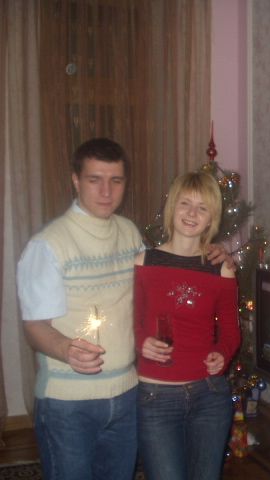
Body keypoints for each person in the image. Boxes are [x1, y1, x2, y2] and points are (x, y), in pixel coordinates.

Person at [16, 138, 144, 479]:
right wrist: (66, 349)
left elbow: (159, 283)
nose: (106, 191)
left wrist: (210, 257)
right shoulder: (48, 245)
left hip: (126, 393)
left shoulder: (129, 233)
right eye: (94, 179)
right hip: (68, 403)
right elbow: (34, 326)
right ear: (75, 180)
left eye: (116, 180)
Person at [134, 171, 241, 480]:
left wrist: (222, 353)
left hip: (209, 394)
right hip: (156, 396)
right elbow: (132, 320)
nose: (192, 213)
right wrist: (141, 342)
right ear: (172, 208)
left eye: (202, 207)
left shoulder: (221, 269)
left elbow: (231, 332)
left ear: (211, 218)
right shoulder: (145, 262)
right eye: (185, 204)